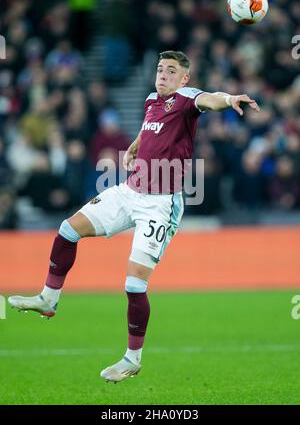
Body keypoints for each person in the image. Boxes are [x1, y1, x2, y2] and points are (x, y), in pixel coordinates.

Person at [8, 51, 260, 382]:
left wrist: (229, 98)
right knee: (67, 230)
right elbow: (149, 129)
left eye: (172, 71)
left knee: (133, 285)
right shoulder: (151, 100)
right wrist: (134, 146)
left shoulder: (187, 99)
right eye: (160, 69)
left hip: (160, 204)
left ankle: (132, 358)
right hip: (130, 191)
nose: (163, 74)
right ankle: (48, 298)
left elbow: (210, 101)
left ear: (184, 78)